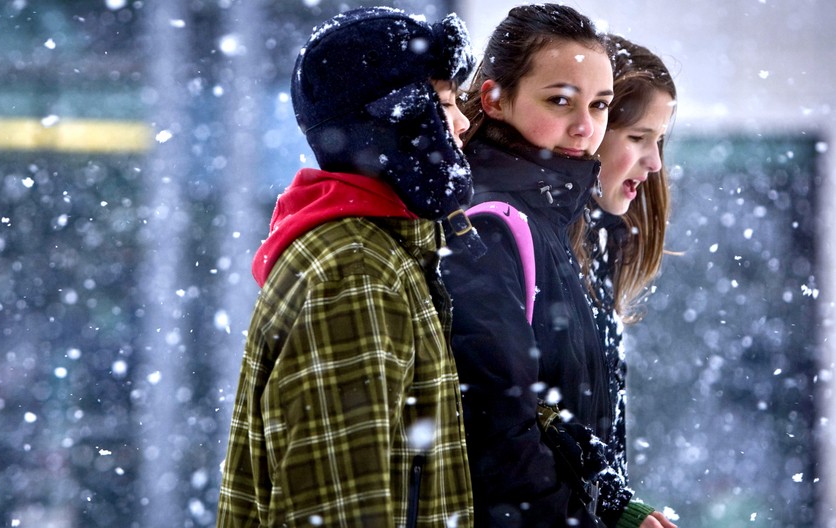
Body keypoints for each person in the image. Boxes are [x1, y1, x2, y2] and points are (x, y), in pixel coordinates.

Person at [217, 6, 484, 527]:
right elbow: (338, 507)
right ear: (394, 119)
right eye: (444, 104)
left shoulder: (378, 252)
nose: (462, 122)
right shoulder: (355, 272)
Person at [441, 5, 673, 527]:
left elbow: (559, 427)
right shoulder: (491, 225)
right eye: (560, 101)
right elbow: (498, 440)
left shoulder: (549, 222)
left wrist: (617, 509)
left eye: (601, 105)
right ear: (494, 100)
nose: (585, 126)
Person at [568, 34, 679, 528]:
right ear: (590, 129)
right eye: (638, 138)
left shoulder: (600, 240)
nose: (655, 162)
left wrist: (621, 510)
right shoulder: (525, 239)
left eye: (660, 141)